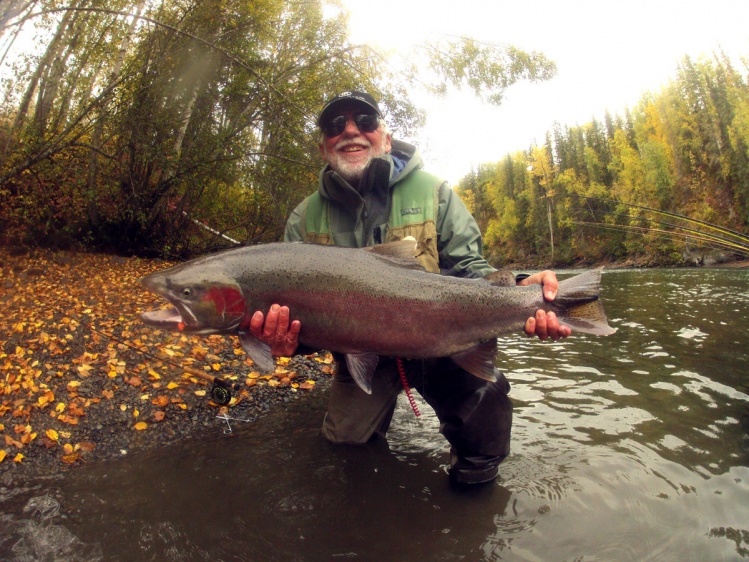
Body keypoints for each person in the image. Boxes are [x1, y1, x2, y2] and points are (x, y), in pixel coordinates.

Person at [248, 91, 570, 486]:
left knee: (487, 395)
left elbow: (469, 268)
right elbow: (303, 317)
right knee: (344, 450)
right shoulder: (303, 219)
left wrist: (523, 290)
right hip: (361, 355)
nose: (350, 131)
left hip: (444, 345)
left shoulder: (433, 192)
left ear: (384, 136)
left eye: (364, 121)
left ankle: (475, 486)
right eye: (336, 126)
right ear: (323, 146)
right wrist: (289, 344)